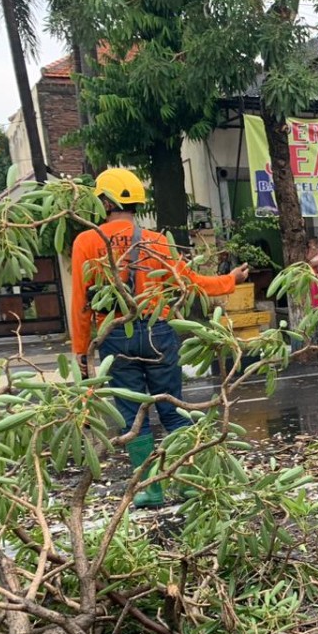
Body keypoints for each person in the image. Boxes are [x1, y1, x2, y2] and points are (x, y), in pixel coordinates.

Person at [71, 167, 249, 507]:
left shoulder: (87, 241)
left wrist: (82, 353)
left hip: (115, 335)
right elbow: (190, 282)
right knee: (173, 410)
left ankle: (150, 490)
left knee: (132, 416)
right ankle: (190, 483)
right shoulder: (156, 241)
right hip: (159, 332)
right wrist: (230, 280)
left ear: (105, 202)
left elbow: (81, 304)